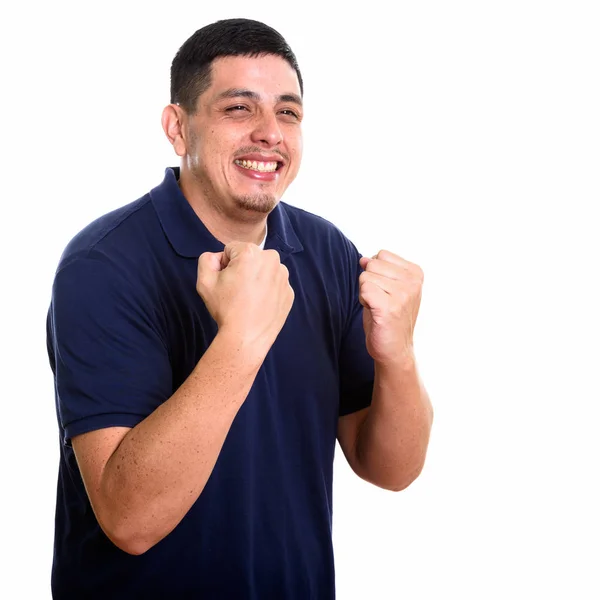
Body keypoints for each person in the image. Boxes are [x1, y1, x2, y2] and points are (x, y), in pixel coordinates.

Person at [46, 17, 433, 600]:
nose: (269, 133)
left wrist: (398, 355)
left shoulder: (326, 251)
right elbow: (129, 521)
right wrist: (240, 341)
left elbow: (391, 469)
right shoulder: (103, 267)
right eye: (238, 109)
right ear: (178, 128)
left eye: (288, 113)